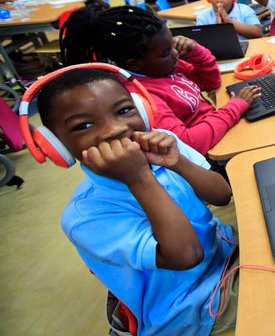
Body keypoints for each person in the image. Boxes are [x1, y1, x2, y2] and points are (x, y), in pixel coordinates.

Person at [33, 66, 238, 335]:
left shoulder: (165, 145)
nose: (115, 129)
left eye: (123, 111)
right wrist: (139, 177)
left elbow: (222, 196)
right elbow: (188, 255)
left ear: (142, 110)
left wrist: (178, 163)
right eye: (83, 125)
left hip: (227, 254)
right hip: (196, 305)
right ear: (57, 147)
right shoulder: (85, 217)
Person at [60, 6, 261, 156]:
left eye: (172, 44)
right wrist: (234, 108)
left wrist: (195, 50)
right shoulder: (142, 98)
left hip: (217, 128)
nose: (175, 54)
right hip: (207, 155)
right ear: (135, 64)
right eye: (166, 52)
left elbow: (210, 82)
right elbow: (189, 144)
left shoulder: (165, 67)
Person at [197, 0, 263, 39]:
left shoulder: (245, 10)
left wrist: (230, 22)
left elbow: (258, 33)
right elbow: (201, 43)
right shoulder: (203, 17)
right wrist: (217, 29)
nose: (219, 0)